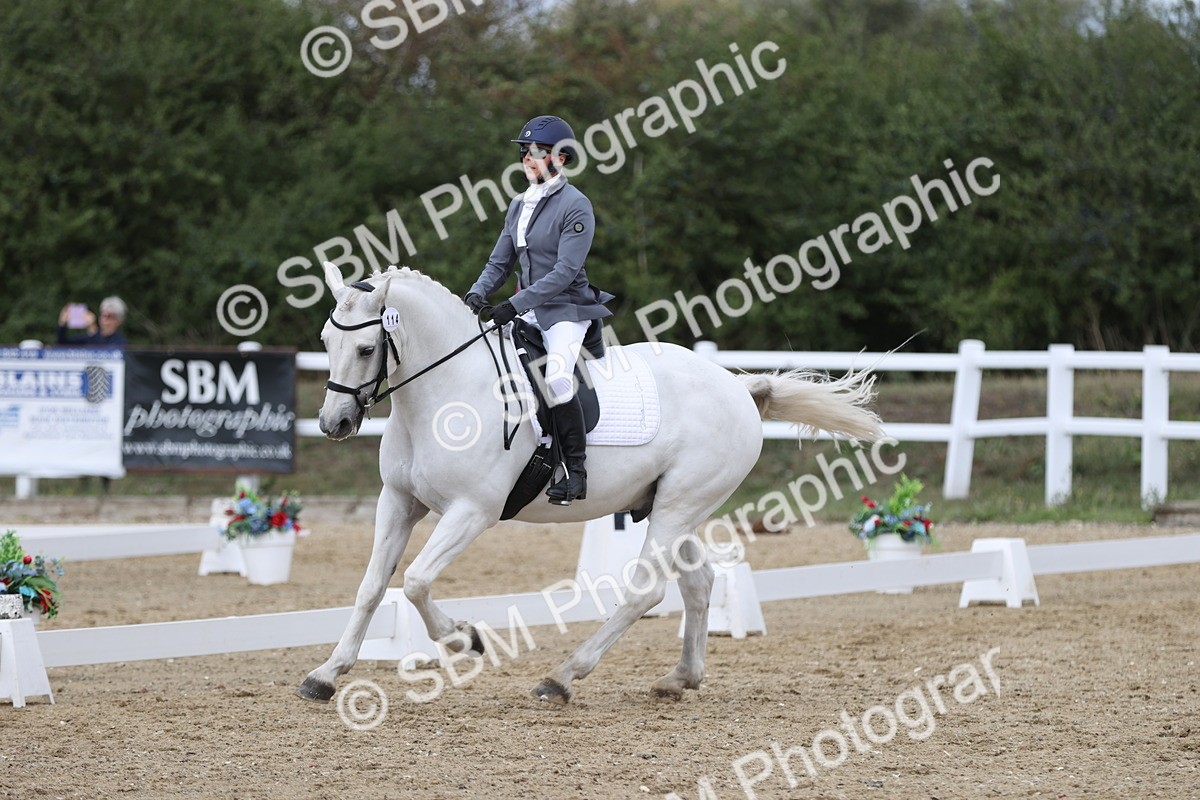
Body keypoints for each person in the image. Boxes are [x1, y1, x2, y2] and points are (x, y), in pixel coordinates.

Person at [465, 115, 614, 505]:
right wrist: (476, 294)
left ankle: (575, 471)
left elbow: (565, 272)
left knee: (559, 379)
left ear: (561, 159)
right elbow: (500, 262)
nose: (528, 158)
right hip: (527, 308)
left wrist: (513, 304)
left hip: (565, 309)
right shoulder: (518, 205)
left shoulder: (576, 205)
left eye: (538, 152)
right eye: (524, 151)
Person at [56, 296, 128, 348]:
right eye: (102, 314)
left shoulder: (120, 342)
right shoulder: (89, 338)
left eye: (109, 316)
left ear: (118, 320)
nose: (104, 319)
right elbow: (63, 343)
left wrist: (92, 329)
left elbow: (103, 352)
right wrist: (62, 324)